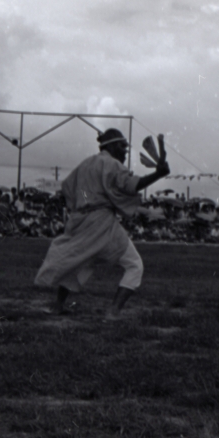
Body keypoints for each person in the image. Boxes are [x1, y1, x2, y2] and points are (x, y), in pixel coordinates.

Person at [34, 128, 170, 318]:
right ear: (112, 146)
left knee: (79, 262)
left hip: (79, 221)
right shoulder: (111, 164)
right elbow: (131, 185)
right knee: (135, 265)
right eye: (122, 147)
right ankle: (113, 311)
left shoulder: (85, 165)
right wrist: (158, 174)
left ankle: (58, 305)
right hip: (101, 223)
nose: (125, 152)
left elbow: (69, 188)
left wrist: (86, 201)